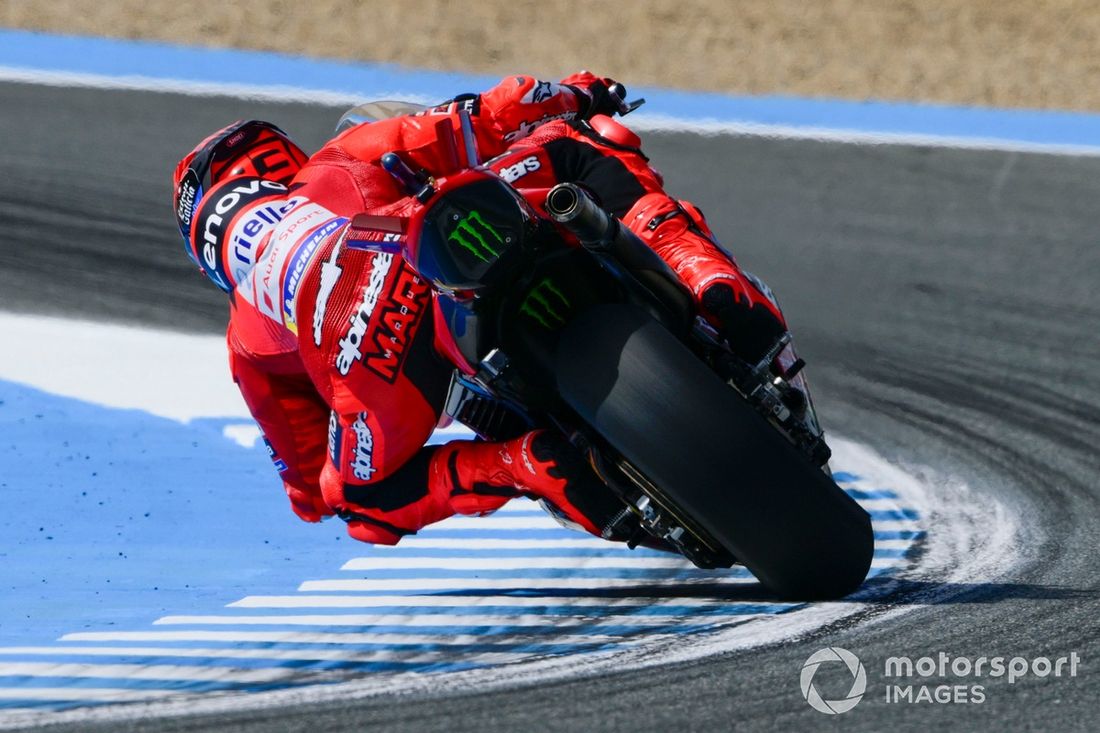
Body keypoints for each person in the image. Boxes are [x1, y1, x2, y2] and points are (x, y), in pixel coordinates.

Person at [172, 72, 786, 546]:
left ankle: (523, 463)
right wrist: (580, 90)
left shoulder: (246, 343)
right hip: (428, 250)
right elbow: (497, 111)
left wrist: (342, 408)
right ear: (279, 161)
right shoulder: (337, 162)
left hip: (377, 367)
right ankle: (702, 276)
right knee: (574, 146)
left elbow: (311, 491)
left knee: (358, 502)